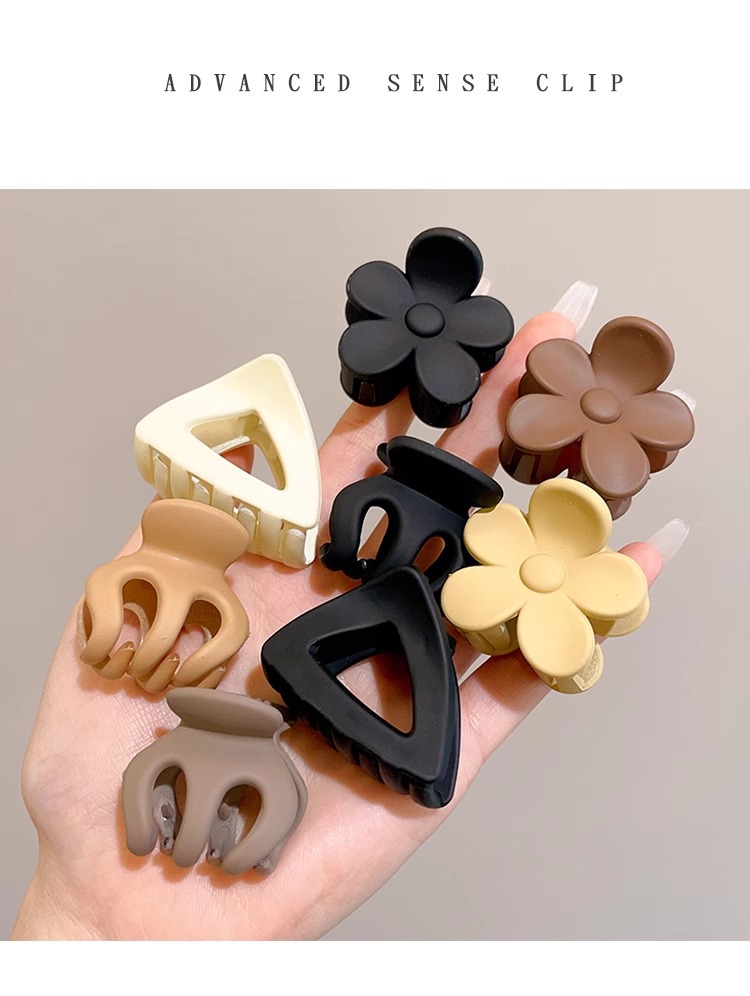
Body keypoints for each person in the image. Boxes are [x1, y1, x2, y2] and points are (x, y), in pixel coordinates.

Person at [11, 284, 678, 940]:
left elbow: (363, 522)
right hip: (381, 630)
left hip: (406, 621)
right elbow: (361, 526)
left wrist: (347, 556)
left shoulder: (414, 545)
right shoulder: (410, 553)